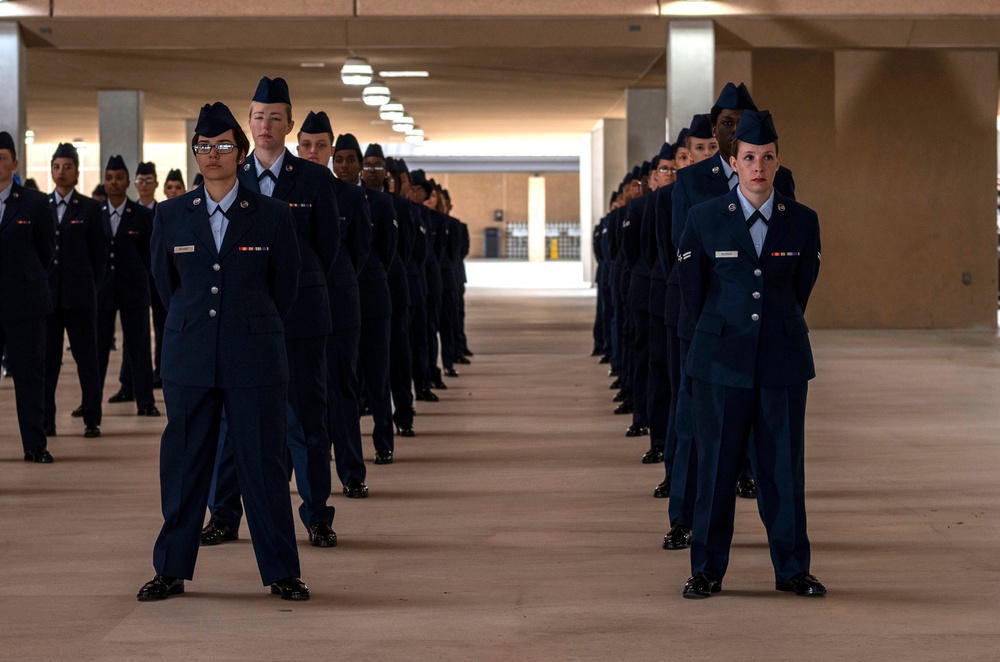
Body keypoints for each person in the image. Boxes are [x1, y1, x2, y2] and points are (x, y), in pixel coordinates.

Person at [137, 101, 308, 602]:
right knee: (185, 464)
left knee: (262, 464)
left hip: (253, 356)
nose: (212, 155)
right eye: (203, 147)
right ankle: (170, 569)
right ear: (195, 154)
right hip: (189, 356)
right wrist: (196, 326)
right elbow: (166, 287)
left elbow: (286, 286)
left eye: (223, 147)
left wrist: (247, 324)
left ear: (240, 151)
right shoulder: (171, 216)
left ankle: (282, 570)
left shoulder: (272, 216)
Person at [676, 110, 824, 599]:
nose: (758, 167)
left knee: (783, 469)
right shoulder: (704, 219)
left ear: (777, 162)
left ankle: (792, 569)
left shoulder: (801, 222)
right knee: (716, 468)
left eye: (767, 158)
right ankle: (706, 571)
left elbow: (799, 289)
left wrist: (770, 331)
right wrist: (724, 332)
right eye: (748, 158)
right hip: (720, 361)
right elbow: (693, 292)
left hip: (781, 361)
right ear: (734, 163)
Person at [204, 77, 342, 549]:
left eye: (276, 117)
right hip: (241, 320)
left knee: (305, 417)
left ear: (288, 124)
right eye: (258, 117)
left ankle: (317, 515)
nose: (266, 125)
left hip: (301, 317)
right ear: (248, 123)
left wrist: (293, 290)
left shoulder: (315, 179)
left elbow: (327, 249)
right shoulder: (229, 174)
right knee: (230, 421)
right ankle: (223, 515)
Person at [296, 110, 372, 499]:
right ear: (298, 147)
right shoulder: (282, 191)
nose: (313, 152)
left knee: (342, 386)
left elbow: (358, 253)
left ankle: (352, 471)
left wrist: (334, 283)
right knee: (298, 392)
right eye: (306, 145)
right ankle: (304, 471)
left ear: (330, 149)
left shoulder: (351, 195)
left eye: (321, 146)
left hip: (340, 304)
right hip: (294, 307)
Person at [334, 133, 395, 465]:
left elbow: (387, 251)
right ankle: (342, 441)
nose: (345, 166)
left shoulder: (380, 202)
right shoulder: (328, 196)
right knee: (343, 377)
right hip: (340, 300)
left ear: (360, 166)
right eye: (339, 160)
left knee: (376, 373)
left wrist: (366, 275)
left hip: (371, 297)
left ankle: (383, 439)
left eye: (351, 160)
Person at [0, 130, 57, 462]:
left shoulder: (34, 202)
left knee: (30, 375)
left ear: (14, 163)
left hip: (25, 304)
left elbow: (46, 251)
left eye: (2, 157)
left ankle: (35, 444)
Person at [44, 142, 106, 439]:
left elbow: (101, 254)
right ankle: (46, 420)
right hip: (47, 299)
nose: (61, 172)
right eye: (56, 166)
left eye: (67, 166)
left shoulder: (91, 209)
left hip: (80, 296)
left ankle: (91, 417)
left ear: (77, 172)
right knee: (47, 361)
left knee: (87, 359)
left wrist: (92, 287)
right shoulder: (40, 206)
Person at [95, 155, 159, 417]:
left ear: (127, 181)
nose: (114, 182)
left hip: (134, 291)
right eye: (109, 178)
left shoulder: (142, 215)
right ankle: (90, 403)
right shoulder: (94, 214)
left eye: (119, 177)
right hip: (101, 292)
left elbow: (149, 256)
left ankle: (145, 402)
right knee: (97, 350)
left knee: (139, 347)